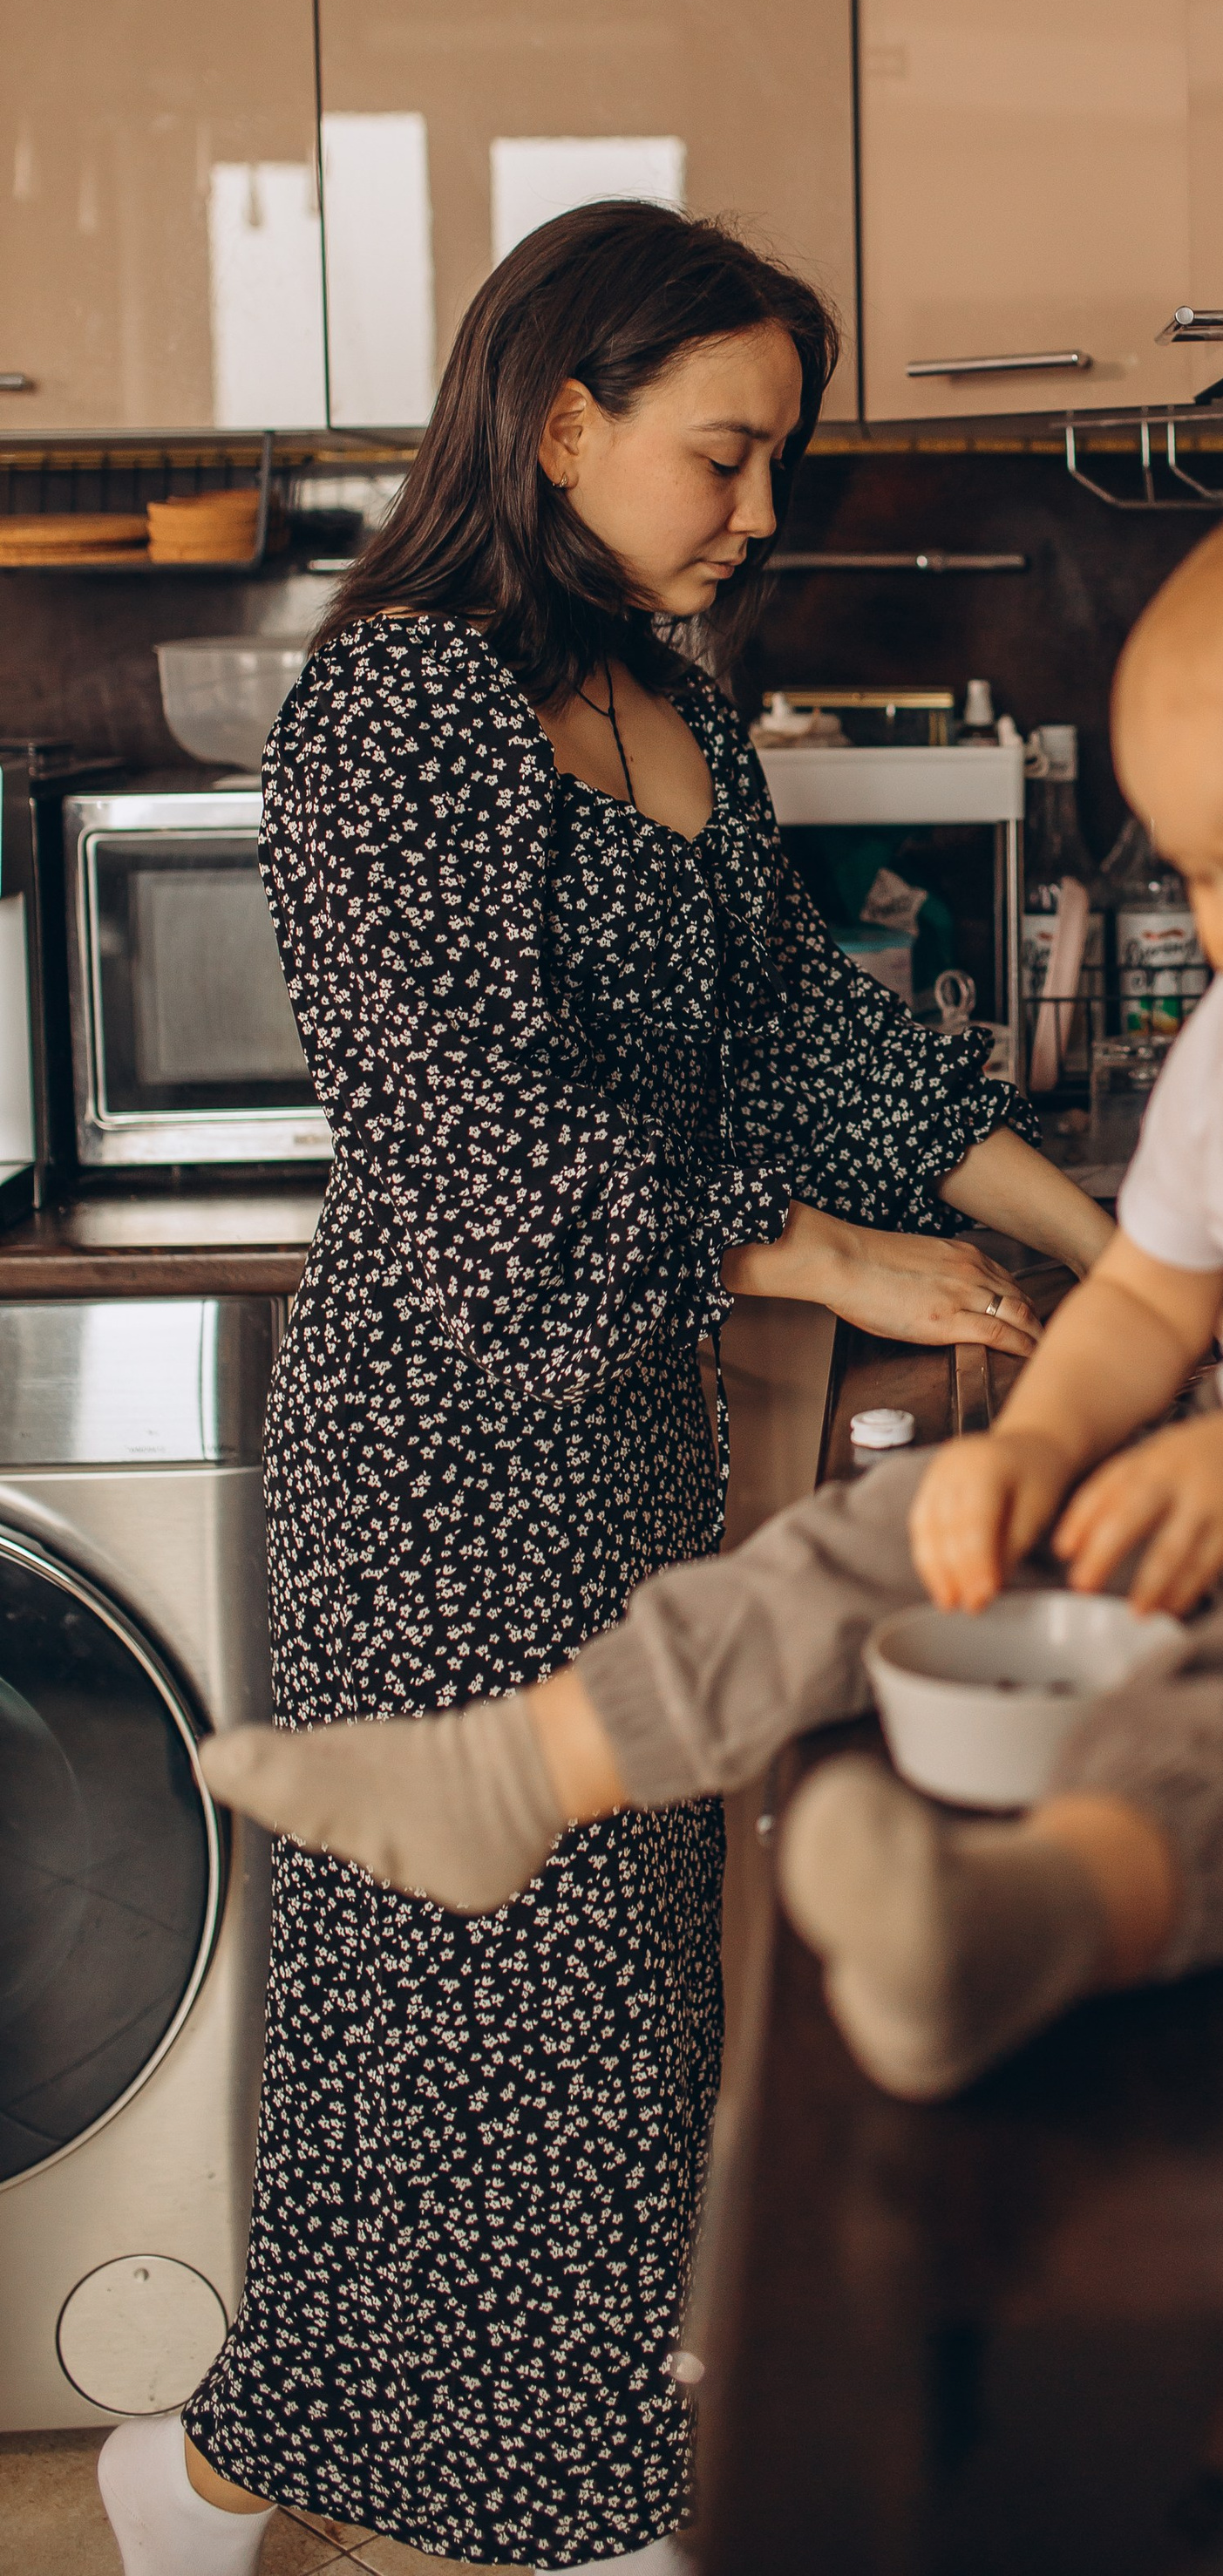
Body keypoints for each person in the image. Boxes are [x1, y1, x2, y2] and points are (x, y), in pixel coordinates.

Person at [201, 492, 1223, 2121]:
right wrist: (1039, 1450)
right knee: (890, 1532)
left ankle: (1023, 1922)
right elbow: (1149, 1296)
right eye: (1201, 877)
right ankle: (522, 1768)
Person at [105, 201, 1110, 2576]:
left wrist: (1104, 1241)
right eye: (724, 455)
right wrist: (828, 1250)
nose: (760, 511)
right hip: (437, 1448)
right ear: (563, 426)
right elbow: (465, 1132)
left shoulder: (678, 707)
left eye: (777, 465)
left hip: (619, 1439)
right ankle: (592, 2519)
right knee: (484, 2030)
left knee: (598, 2015)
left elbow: (797, 1032)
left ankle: (218, 2477)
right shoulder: (399, 707)